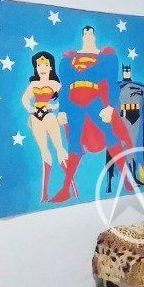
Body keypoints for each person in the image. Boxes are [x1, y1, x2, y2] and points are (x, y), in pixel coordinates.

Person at [49, 25, 132, 202]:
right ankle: (65, 189)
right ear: (82, 36)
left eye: (90, 33)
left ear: (94, 36)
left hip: (95, 101)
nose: (88, 35)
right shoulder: (69, 58)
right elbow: (65, 86)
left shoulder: (105, 55)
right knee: (74, 144)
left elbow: (111, 82)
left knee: (111, 137)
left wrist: (110, 107)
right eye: (85, 33)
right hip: (74, 104)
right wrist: (62, 110)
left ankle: (127, 179)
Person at [22, 51, 71, 202]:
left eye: (45, 65)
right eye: (39, 65)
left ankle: (71, 185)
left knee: (59, 148)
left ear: (50, 67)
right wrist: (31, 109)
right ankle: (44, 193)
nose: (42, 68)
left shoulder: (55, 84)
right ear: (35, 68)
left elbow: (66, 98)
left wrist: (54, 106)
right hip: (36, 117)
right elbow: (24, 99)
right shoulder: (33, 84)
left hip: (49, 116)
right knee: (44, 151)